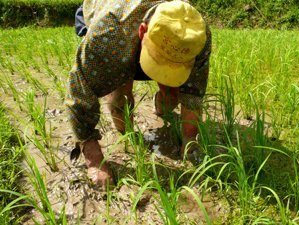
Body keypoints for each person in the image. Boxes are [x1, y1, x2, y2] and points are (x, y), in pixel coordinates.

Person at [66, 0, 211, 188]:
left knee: (171, 96)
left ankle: (161, 104)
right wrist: (94, 161)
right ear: (142, 32)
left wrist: (190, 141)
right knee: (121, 94)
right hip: (115, 21)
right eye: (160, 62)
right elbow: (79, 93)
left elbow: (193, 92)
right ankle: (126, 136)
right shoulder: (108, 33)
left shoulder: (196, 34)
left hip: (142, 30)